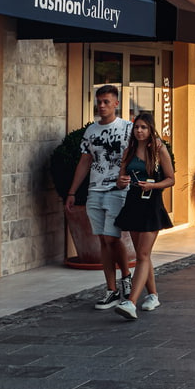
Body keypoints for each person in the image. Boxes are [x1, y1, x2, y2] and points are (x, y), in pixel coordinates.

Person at [66, 85, 133, 310]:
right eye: (99, 102)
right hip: (95, 190)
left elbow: (139, 156)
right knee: (103, 240)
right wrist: (72, 192)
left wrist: (131, 178)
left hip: (118, 190)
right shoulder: (91, 131)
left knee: (112, 237)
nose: (101, 106)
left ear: (116, 104)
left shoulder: (128, 128)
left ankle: (126, 277)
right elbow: (84, 161)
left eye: (106, 102)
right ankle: (111, 289)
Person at [112, 112, 175, 320]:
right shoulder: (129, 151)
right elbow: (120, 179)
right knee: (142, 255)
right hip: (133, 204)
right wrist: (121, 182)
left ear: (150, 129)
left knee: (143, 255)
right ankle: (153, 295)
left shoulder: (158, 149)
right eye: (137, 127)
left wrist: (152, 186)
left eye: (144, 127)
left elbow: (171, 179)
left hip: (151, 205)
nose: (139, 131)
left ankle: (131, 302)